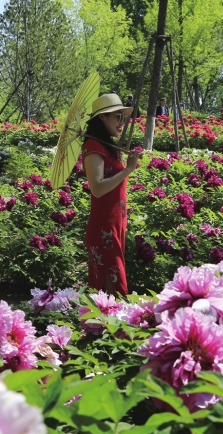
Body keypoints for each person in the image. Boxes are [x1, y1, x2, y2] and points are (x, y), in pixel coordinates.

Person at [81, 93, 140, 295]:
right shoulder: (93, 147)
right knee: (114, 294)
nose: (121, 122)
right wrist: (128, 169)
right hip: (103, 229)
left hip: (115, 225)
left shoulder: (107, 146)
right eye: (117, 116)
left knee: (112, 293)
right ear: (102, 117)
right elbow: (97, 189)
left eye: (123, 117)